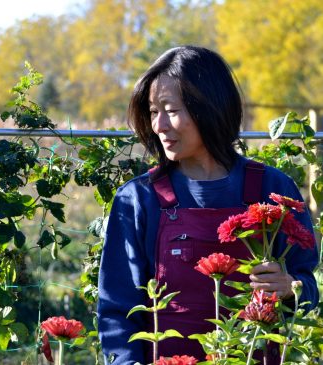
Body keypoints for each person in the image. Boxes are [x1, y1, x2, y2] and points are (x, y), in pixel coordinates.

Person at [97, 46, 319, 365]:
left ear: (208, 108)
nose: (159, 125)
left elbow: (307, 285)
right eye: (153, 111)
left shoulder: (272, 188)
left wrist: (290, 288)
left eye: (170, 110)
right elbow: (116, 309)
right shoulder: (139, 198)